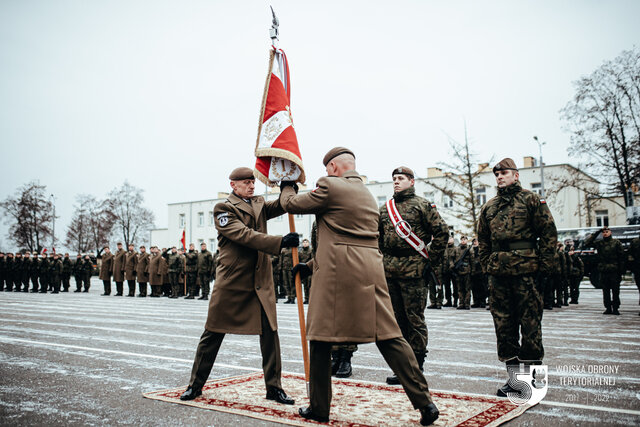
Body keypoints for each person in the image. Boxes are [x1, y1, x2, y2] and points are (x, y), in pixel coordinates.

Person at [281, 148, 439, 426]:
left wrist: (287, 184)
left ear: (332, 167)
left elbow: (291, 204)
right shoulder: (367, 195)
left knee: (320, 339)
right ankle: (425, 402)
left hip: (336, 274)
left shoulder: (330, 186)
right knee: (390, 337)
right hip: (370, 271)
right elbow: (344, 234)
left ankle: (319, 407)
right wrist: (309, 265)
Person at [180, 167, 297, 406]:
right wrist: (280, 242)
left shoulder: (258, 203)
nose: (252, 186)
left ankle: (274, 389)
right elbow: (244, 235)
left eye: (253, 182)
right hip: (233, 282)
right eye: (246, 182)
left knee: (270, 334)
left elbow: (283, 206)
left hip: (260, 280)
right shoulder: (224, 208)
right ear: (233, 185)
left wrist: (288, 185)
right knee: (212, 332)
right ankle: (195, 385)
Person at [477, 158, 557, 397]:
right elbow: (482, 240)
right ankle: (514, 381)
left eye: (504, 173)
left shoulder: (531, 200)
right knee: (504, 327)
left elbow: (549, 233)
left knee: (531, 325)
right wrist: (487, 264)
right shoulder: (489, 207)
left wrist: (545, 267)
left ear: (516, 175)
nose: (500, 177)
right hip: (499, 275)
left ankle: (533, 381)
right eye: (497, 174)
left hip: (526, 272)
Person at [378, 166, 448, 385]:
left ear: (412, 181)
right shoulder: (385, 209)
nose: (396, 182)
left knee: (415, 319)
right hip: (391, 270)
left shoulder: (422, 205)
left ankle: (416, 366)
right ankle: (403, 367)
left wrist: (430, 261)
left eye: (401, 178)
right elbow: (379, 238)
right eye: (394, 179)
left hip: (415, 270)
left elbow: (441, 233)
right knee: (397, 321)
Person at [584, 227, 625, 315]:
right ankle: (608, 308)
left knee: (615, 291)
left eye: (607, 232)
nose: (605, 233)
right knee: (605, 291)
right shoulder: (600, 243)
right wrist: (597, 233)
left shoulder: (616, 243)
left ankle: (615, 308)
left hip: (614, 270)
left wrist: (621, 270)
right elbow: (587, 243)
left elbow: (621, 257)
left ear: (610, 232)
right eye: (604, 232)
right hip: (603, 270)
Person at [453, 236, 472, 310]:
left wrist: (472, 271)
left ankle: (467, 304)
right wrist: (453, 266)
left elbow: (472, 260)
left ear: (467, 240)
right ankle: (461, 303)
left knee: (467, 289)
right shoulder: (456, 249)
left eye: (465, 239)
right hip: (458, 272)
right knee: (460, 289)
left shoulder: (469, 249)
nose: (463, 241)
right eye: (462, 239)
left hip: (467, 271)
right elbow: (452, 258)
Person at [470, 238, 487, 308]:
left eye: (476, 241)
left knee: (482, 287)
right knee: (474, 288)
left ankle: (483, 301)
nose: (475, 243)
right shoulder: (470, 250)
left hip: (481, 271)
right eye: (473, 241)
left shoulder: (480, 250)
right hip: (473, 271)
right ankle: (476, 301)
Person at [298, 239, 313, 304]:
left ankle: (310, 298)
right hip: (303, 270)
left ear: (308, 243)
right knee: (305, 285)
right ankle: (306, 298)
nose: (305, 244)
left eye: (306, 242)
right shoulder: (300, 252)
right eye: (303, 242)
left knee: (309, 285)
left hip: (309, 269)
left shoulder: (311, 251)